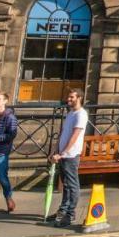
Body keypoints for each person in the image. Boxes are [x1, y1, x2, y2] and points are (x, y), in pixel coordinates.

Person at [49, 89, 88, 227]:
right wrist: (55, 150)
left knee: (72, 185)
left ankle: (70, 214)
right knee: (65, 184)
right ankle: (63, 211)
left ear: (80, 98)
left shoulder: (81, 115)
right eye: (68, 97)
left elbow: (75, 136)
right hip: (62, 154)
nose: (68, 99)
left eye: (71, 97)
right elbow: (63, 133)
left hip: (71, 155)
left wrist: (63, 153)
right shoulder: (71, 113)